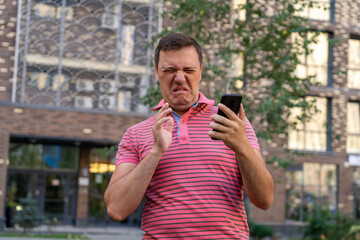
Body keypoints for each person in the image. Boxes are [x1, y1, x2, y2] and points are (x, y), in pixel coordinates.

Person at [104, 32, 274, 239]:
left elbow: (265, 200)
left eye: (188, 70)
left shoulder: (231, 123)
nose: (180, 78)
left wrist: (242, 146)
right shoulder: (136, 134)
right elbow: (116, 209)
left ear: (200, 71)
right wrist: (156, 151)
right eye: (170, 70)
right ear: (157, 72)